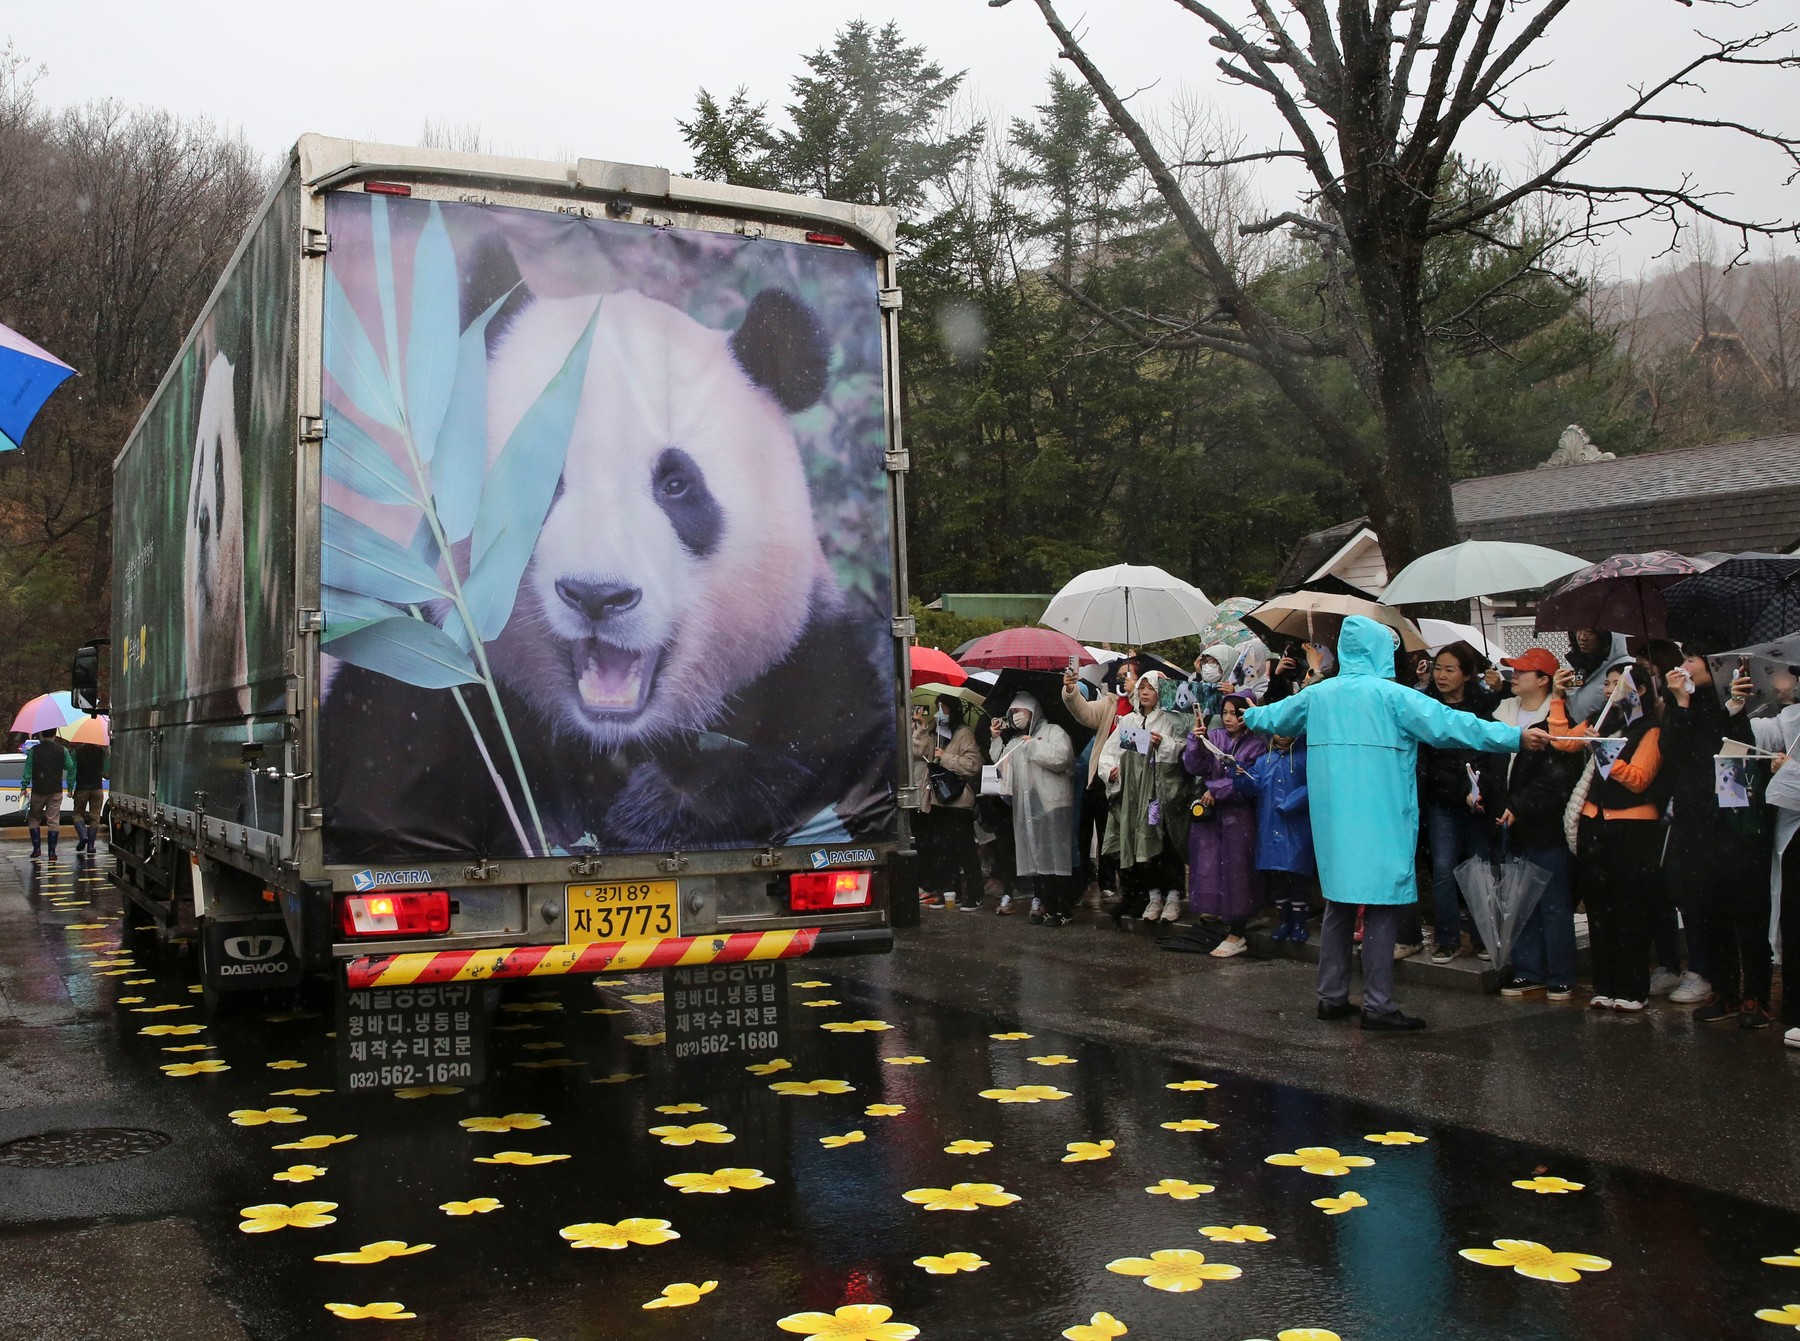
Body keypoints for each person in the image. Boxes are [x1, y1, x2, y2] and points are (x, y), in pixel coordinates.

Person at [1243, 616, 1550, 1032]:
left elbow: (1269, 719)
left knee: (1339, 905)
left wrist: (1249, 712)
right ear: (1379, 652)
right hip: (1381, 818)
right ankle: (1379, 1004)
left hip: (1335, 823)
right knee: (1383, 906)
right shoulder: (1394, 697)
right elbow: (1453, 725)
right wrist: (1514, 737)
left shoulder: (1320, 695)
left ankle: (1331, 996)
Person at [1547, 659, 1666, 1012]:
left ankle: (1632, 987)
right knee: (1598, 907)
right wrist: (1557, 699)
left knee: (1630, 908)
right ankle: (1604, 984)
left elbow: (1640, 777)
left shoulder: (1652, 728)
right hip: (1593, 823)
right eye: (1607, 684)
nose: (1608, 691)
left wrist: (1602, 751)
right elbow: (1563, 741)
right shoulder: (1607, 720)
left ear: (1639, 690)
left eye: (1617, 684)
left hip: (1632, 824)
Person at [1662, 649, 1771, 1027]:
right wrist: (1680, 701)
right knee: (1711, 908)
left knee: (1748, 910)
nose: (1684, 666)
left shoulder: (1738, 698)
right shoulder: (1681, 704)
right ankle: (1725, 990)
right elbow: (1672, 752)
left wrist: (1736, 707)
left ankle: (1756, 996)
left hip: (1735, 819)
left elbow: (1741, 752)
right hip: (1695, 821)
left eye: (1692, 660)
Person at [1490, 649, 1581, 1000]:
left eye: (1523, 671)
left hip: (1545, 826)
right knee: (1521, 899)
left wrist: (1519, 805)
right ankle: (1529, 969)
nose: (1515, 676)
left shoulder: (1557, 720)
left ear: (1543, 679)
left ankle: (1560, 972)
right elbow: (1494, 767)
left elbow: (1556, 781)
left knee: (1553, 902)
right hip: (1508, 824)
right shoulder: (1502, 715)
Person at [1419, 641, 1503, 964]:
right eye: (1438, 668)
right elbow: (1427, 760)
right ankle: (1447, 939)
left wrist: (1482, 790)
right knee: (1443, 869)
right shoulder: (1426, 707)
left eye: (1449, 669)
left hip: (1478, 803)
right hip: (1442, 802)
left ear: (1467, 675)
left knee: (1480, 869)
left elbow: (1491, 754)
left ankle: (1483, 937)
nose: (1441, 675)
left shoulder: (1483, 708)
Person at [1097, 671, 1191, 926]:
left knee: (1164, 841)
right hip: (1133, 793)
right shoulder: (1129, 720)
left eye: (1151, 688)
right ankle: (1152, 895)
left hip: (1159, 792)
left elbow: (1183, 747)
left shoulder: (1171, 720)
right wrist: (1111, 772)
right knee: (1140, 843)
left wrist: (1164, 744)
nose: (1145, 692)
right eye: (1142, 687)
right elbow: (1110, 752)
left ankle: (1173, 896)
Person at [1183, 694, 1269, 955]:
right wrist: (1196, 741)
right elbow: (1195, 765)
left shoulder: (1258, 744)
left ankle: (1238, 929)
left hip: (1239, 815)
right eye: (1226, 712)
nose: (1230, 718)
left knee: (1238, 871)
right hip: (1212, 817)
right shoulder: (1216, 736)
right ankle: (1221, 917)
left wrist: (1217, 789)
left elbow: (1254, 781)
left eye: (1236, 713)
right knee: (1209, 866)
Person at [989, 692, 1077, 922]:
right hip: (1028, 808)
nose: (1016, 716)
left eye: (1020, 711)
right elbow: (1000, 764)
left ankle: (1063, 909)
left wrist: (1034, 747)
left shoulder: (1053, 732)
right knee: (1039, 859)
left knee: (1057, 859)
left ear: (1033, 711)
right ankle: (1047, 906)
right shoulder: (1016, 741)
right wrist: (996, 738)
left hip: (1053, 807)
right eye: (1013, 713)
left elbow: (1062, 758)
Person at [1237, 732, 1314, 944]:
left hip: (1296, 828)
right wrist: (1241, 776)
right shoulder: (1263, 761)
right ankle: (1285, 922)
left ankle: (1299, 923)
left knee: (1298, 877)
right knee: (1278, 878)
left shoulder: (1305, 758)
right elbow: (1252, 787)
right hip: (1270, 827)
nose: (1282, 735)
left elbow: (1313, 785)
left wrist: (1292, 803)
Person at [912, 697, 982, 908]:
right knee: (944, 850)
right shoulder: (937, 734)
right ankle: (950, 891)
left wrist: (946, 757)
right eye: (937, 708)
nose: (938, 713)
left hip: (959, 801)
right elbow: (920, 753)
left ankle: (974, 894)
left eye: (942, 708)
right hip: (939, 799)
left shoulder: (964, 734)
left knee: (965, 849)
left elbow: (973, 764)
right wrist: (923, 730)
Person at [22, 729, 75, 861]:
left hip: (38, 790)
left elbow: (27, 770)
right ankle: (52, 852)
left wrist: (24, 786)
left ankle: (37, 849)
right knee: (53, 820)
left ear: (41, 734)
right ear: (55, 734)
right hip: (55, 791)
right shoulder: (62, 750)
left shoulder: (35, 751)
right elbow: (70, 767)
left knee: (34, 819)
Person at [71, 741, 107, 855]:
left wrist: (70, 786)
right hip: (97, 787)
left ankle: (83, 836)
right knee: (95, 817)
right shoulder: (101, 751)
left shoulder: (77, 752)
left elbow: (72, 770)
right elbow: (106, 767)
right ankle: (91, 846)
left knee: (78, 814)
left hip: (82, 788)